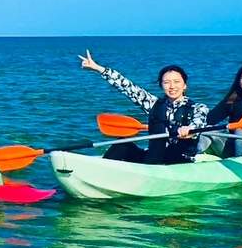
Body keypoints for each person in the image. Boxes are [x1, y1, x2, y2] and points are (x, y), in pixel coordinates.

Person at [79, 49, 208, 164]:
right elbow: (128, 87)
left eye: (176, 82)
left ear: (185, 85)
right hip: (153, 159)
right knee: (121, 144)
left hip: (179, 161)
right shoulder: (153, 104)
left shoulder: (199, 108)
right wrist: (98, 69)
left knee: (174, 151)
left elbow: (199, 124)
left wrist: (189, 130)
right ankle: (103, 173)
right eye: (167, 82)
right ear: (161, 85)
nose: (172, 86)